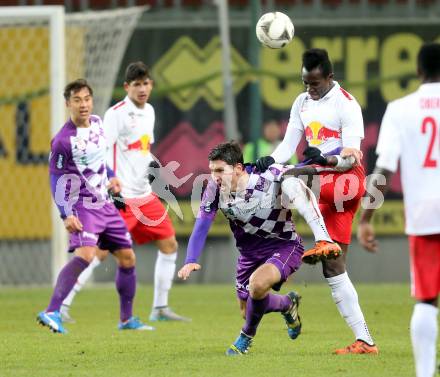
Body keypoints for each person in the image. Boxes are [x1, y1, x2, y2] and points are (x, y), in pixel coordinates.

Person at [254, 48, 378, 354]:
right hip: (324, 183)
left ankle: (314, 240)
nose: (310, 89)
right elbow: (288, 145)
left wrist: (324, 158)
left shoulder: (347, 105)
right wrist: (271, 158)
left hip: (346, 179)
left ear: (330, 77)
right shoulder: (301, 102)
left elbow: (351, 156)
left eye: (315, 83)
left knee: (290, 179)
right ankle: (365, 341)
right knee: (334, 267)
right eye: (306, 82)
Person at [178, 141, 341, 355]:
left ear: (238, 168)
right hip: (248, 254)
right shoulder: (214, 189)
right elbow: (202, 224)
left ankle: (244, 338)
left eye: (220, 170)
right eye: (211, 170)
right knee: (247, 310)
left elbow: (304, 166)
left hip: (284, 245)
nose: (215, 176)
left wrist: (331, 154)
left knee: (257, 285)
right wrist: (190, 259)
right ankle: (286, 304)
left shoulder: (267, 176)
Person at [60, 62, 189, 324]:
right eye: (136, 84)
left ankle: (160, 307)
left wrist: (152, 168)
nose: (142, 89)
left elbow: (141, 148)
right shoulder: (116, 114)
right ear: (127, 87)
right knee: (98, 253)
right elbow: (101, 150)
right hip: (120, 197)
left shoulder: (150, 111)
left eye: (146, 83)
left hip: (144, 195)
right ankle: (62, 305)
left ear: (151, 85)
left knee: (169, 244)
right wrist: (109, 186)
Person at [37, 79, 150, 333]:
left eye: (86, 99)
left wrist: (111, 175)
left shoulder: (98, 123)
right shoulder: (63, 141)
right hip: (82, 206)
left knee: (127, 257)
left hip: (106, 205)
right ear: (68, 104)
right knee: (87, 255)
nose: (83, 104)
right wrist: (65, 214)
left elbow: (100, 159)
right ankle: (52, 311)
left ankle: (126, 319)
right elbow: (55, 178)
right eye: (77, 100)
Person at [358, 43, 440, 377]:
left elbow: (385, 169)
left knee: (425, 299)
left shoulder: (400, 108)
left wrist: (366, 218)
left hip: (424, 215)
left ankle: (423, 374)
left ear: (418, 70)